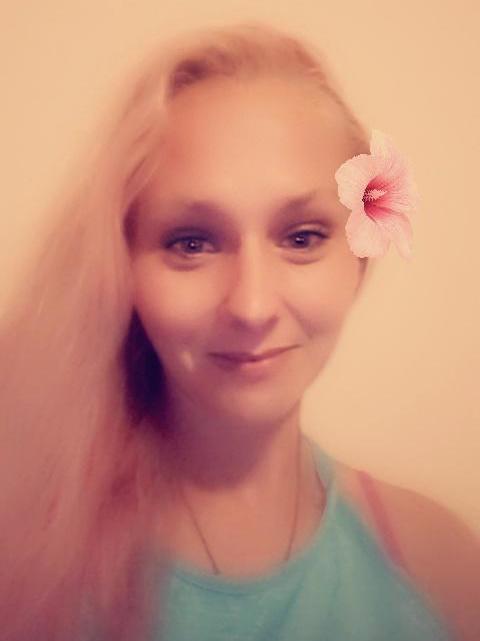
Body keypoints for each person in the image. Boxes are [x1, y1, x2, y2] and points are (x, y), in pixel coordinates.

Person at [0, 20, 468, 641]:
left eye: (302, 237)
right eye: (191, 242)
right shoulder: (29, 568)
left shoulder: (439, 563)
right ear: (120, 270)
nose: (251, 305)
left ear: (359, 260)